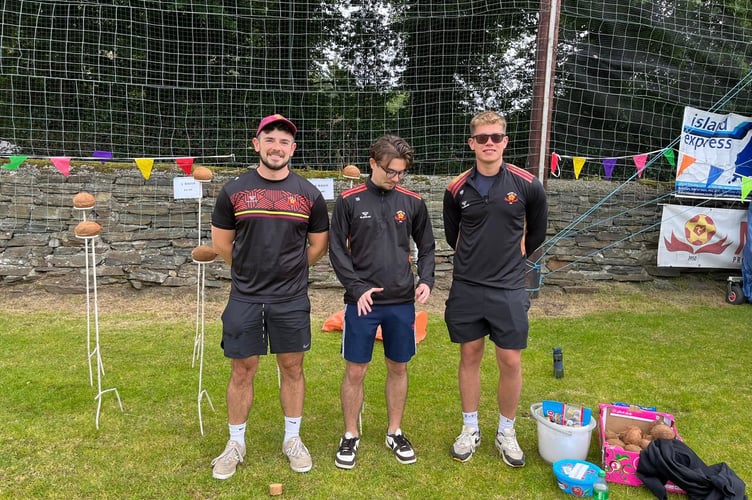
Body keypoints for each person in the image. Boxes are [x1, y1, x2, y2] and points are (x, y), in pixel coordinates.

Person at [209, 114, 329, 479]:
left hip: (290, 298)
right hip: (245, 296)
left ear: (293, 149)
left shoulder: (309, 193)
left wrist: (288, 271)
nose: (277, 147)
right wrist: (248, 270)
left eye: (284, 142)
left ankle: (292, 440)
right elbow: (221, 244)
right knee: (242, 369)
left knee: (292, 368)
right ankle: (235, 443)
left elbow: (318, 246)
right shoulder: (234, 191)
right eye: (270, 139)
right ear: (256, 144)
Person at [443, 111, 548, 467]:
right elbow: (452, 235)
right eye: (483, 138)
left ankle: (507, 431)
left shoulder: (527, 184)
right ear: (472, 142)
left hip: (508, 287)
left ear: (505, 141)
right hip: (468, 287)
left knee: (510, 360)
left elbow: (535, 234)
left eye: (496, 137)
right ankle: (469, 428)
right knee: (469, 355)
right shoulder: (456, 188)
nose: (490, 143)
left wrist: (511, 260)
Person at [328, 135, 436, 470]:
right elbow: (336, 250)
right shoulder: (349, 200)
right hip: (360, 303)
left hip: (401, 302)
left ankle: (394, 431)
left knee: (398, 367)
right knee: (356, 369)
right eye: (390, 171)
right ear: (372, 163)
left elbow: (428, 246)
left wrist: (427, 281)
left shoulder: (413, 202)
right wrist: (356, 287)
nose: (396, 177)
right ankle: (350, 434)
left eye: (402, 172)